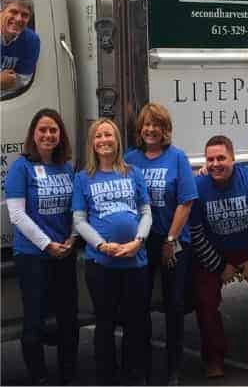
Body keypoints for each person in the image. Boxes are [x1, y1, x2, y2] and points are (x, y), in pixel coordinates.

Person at [189, 135, 248, 379]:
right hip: (217, 253)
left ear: (233, 159)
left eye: (221, 158)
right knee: (205, 299)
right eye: (211, 159)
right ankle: (214, 356)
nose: (216, 164)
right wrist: (219, 266)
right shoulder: (198, 187)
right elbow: (195, 232)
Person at [72, 118, 152, 385]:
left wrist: (138, 241)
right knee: (105, 323)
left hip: (135, 261)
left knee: (135, 322)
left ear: (117, 141)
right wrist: (101, 245)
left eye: (109, 135)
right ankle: (106, 376)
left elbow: (146, 213)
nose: (104, 140)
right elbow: (79, 221)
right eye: (98, 136)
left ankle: (134, 373)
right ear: (92, 143)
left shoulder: (133, 173)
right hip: (101, 264)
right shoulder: (83, 178)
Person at [124, 103, 198, 385]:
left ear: (165, 129)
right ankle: (141, 368)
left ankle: (173, 369)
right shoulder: (130, 159)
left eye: (157, 124)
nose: (151, 129)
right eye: (146, 124)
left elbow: (186, 201)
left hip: (173, 241)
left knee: (174, 306)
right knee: (138, 306)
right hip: (141, 243)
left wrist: (171, 238)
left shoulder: (176, 157)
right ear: (140, 130)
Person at [5, 108, 78, 385]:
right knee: (34, 321)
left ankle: (68, 376)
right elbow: (16, 215)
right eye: (43, 130)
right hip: (33, 255)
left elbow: (77, 209)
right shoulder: (20, 167)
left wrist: (71, 238)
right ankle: (39, 378)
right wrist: (47, 244)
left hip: (65, 253)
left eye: (54, 130)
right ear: (33, 135)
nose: (48, 135)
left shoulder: (66, 168)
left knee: (68, 320)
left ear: (61, 136)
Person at [0, 0, 41, 96]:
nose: (19, 19)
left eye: (25, 15)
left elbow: (22, 80)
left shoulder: (31, 41)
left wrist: (6, 81)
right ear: (1, 11)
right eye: (13, 12)